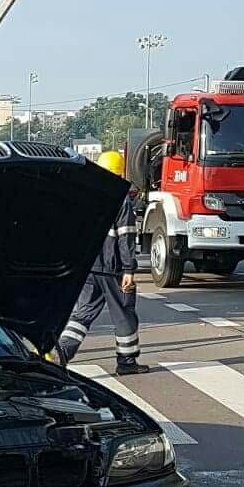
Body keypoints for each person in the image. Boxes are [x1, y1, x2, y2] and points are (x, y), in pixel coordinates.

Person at [56, 149, 143, 373]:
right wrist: (128, 269)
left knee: (82, 314)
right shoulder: (120, 199)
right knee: (123, 313)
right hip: (112, 269)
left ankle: (62, 353)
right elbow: (126, 237)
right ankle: (127, 362)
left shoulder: (86, 196)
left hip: (90, 268)